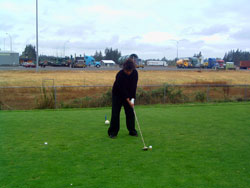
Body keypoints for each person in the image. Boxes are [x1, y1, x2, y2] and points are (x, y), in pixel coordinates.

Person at [108, 58, 138, 138]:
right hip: (117, 94)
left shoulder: (135, 73)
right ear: (124, 68)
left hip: (129, 94)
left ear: (132, 69)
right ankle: (113, 132)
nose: (128, 72)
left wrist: (132, 100)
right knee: (115, 113)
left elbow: (133, 87)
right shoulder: (120, 75)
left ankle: (132, 130)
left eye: (130, 71)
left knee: (130, 112)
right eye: (126, 71)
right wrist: (128, 100)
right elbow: (122, 90)